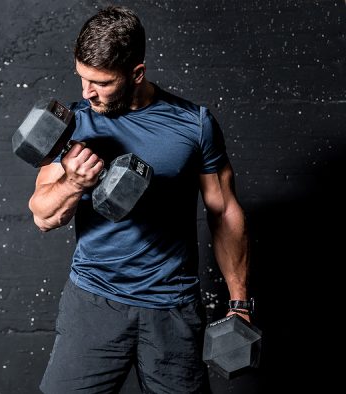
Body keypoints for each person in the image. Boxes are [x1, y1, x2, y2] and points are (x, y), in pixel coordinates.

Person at [28, 5, 251, 394]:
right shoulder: (73, 124)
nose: (87, 92)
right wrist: (74, 183)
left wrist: (240, 302)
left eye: (101, 82)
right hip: (94, 301)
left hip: (173, 308)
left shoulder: (193, 124)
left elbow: (224, 211)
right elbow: (42, 216)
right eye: (82, 79)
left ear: (137, 74)